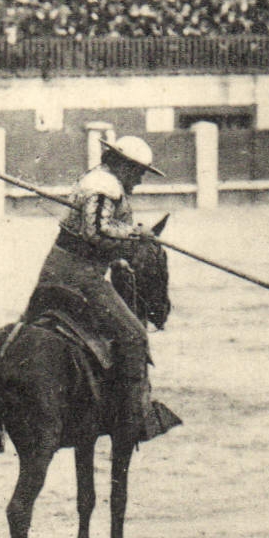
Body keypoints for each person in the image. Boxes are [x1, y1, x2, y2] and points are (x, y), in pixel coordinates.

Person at [25, 135, 171, 444]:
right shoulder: (106, 185)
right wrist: (137, 233)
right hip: (81, 277)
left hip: (53, 270)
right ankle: (134, 418)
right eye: (139, 172)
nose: (140, 180)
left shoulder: (94, 180)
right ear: (125, 166)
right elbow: (96, 231)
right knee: (133, 335)